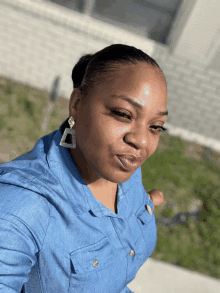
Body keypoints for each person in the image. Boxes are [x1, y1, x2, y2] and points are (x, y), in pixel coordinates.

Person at [0, 44, 167, 293]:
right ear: (77, 103)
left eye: (156, 126)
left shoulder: (119, 163)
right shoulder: (22, 207)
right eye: (123, 114)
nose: (142, 141)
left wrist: (141, 208)